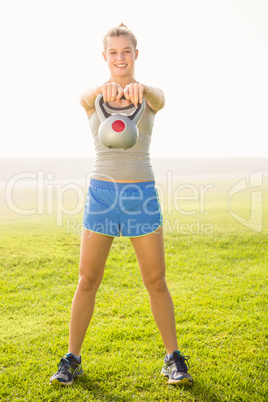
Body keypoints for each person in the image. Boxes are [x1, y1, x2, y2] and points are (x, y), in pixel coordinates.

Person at [50, 23, 193, 387]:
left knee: (156, 280)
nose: (119, 58)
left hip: (140, 195)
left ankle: (173, 358)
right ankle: (72, 359)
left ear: (135, 54)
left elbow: (162, 97)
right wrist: (102, 87)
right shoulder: (95, 98)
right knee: (87, 280)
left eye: (125, 51)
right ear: (105, 57)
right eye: (112, 52)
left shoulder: (148, 98)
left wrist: (142, 88)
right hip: (102, 194)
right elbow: (81, 96)